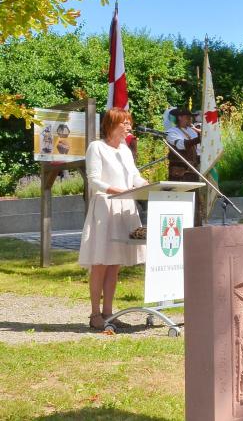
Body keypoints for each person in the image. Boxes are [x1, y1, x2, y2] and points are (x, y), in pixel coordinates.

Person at [79, 108, 148, 330]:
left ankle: (109, 313)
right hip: (106, 207)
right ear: (111, 124)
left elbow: (134, 176)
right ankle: (94, 314)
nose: (129, 126)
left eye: (129, 122)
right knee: (101, 262)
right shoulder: (96, 147)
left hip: (125, 207)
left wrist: (146, 185)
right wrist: (116, 190)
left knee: (114, 264)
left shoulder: (125, 150)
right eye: (124, 122)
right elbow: (94, 180)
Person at [165, 107, 203, 226]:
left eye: (190, 117)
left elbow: (198, 151)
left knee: (195, 202)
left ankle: (195, 228)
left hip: (192, 172)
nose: (189, 119)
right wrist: (198, 139)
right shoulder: (172, 132)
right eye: (187, 117)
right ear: (180, 117)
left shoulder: (192, 131)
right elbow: (181, 145)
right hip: (179, 174)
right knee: (180, 202)